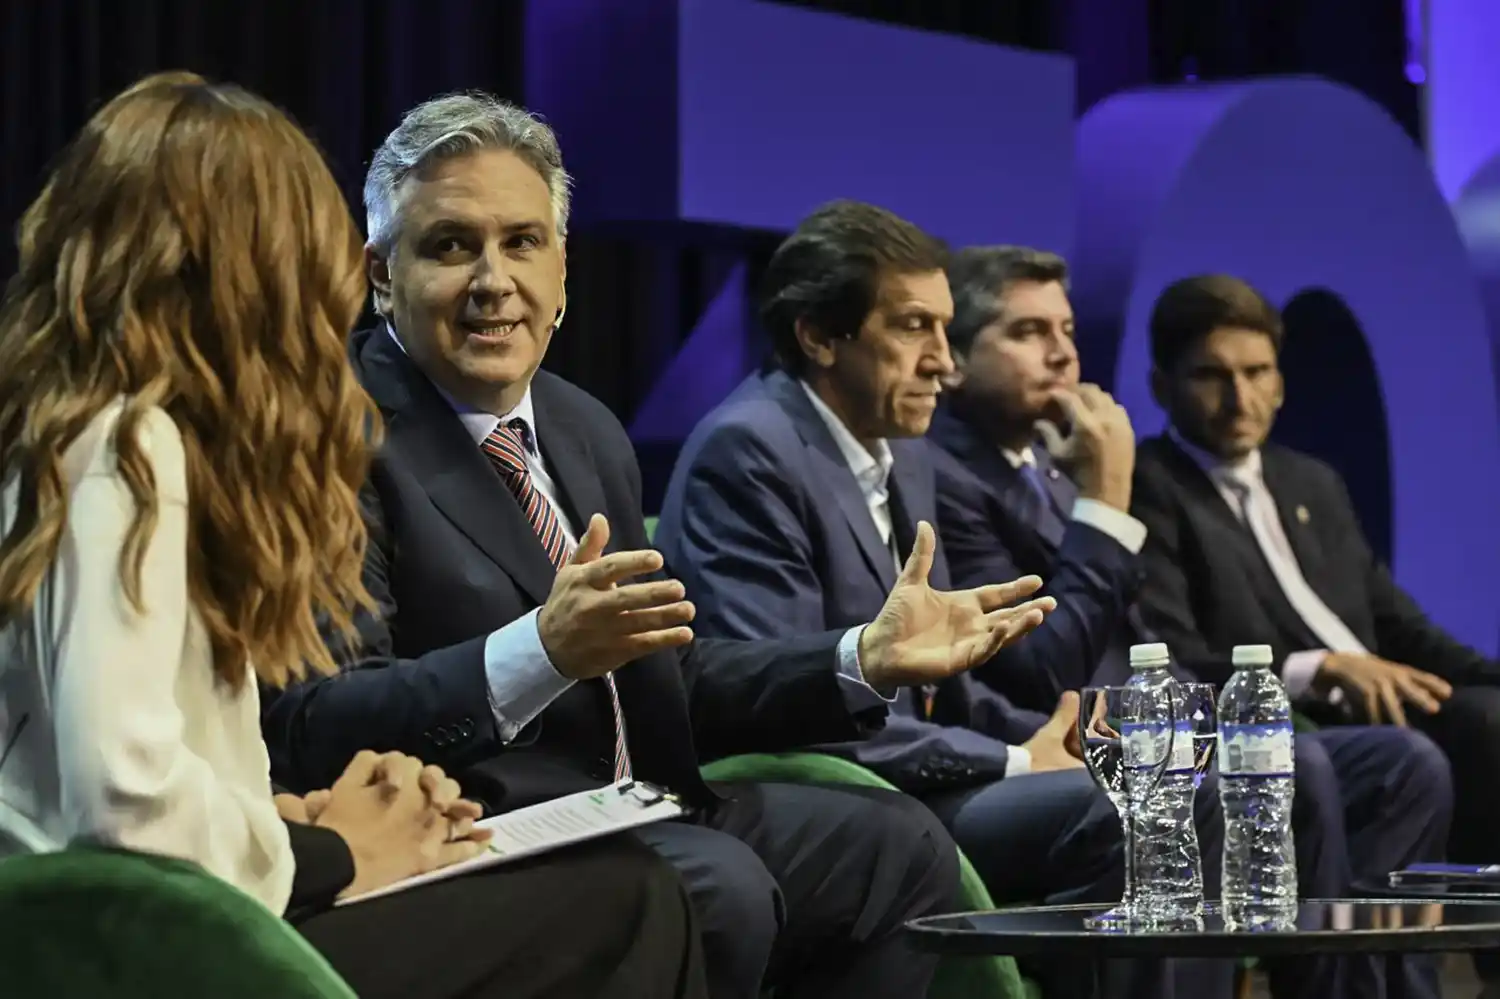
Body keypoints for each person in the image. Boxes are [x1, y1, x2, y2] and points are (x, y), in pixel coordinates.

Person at [258, 92, 1054, 999]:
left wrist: (859, 658)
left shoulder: (581, 423)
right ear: (381, 273)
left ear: (563, 268)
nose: (493, 279)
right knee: (716, 887)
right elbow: (319, 719)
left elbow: (665, 668)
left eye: (522, 242)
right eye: (450, 245)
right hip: (484, 831)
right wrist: (539, 651)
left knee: (899, 844)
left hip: (651, 801)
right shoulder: (333, 436)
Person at [0, 72, 708, 999]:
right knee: (626, 902)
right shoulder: (128, 447)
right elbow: (119, 804)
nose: (328, 279)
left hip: (156, 907)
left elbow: (137, 767)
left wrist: (294, 817)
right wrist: (335, 851)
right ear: (237, 262)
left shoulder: (88, 430)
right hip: (137, 948)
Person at [655, 199, 1228, 999]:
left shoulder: (905, 450)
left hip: (936, 777)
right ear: (819, 336)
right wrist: (1016, 760)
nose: (944, 363)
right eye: (912, 328)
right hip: (853, 800)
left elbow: (943, 683)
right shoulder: (749, 452)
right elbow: (778, 700)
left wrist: (1037, 742)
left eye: (944, 328)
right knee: (1137, 811)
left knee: (1169, 783)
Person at [933, 248, 1453, 999]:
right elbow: (1045, 665)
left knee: (1399, 762)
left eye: (1068, 328)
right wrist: (1108, 501)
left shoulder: (1048, 468)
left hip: (1147, 719)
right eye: (1027, 331)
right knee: (1285, 766)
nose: (1063, 352)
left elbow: (1138, 635)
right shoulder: (954, 478)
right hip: (1053, 737)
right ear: (956, 355)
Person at [1129, 272, 1490, 990]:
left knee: (1491, 717)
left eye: (1257, 372)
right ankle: (1359, 979)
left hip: (1375, 708)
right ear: (1162, 387)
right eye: (1212, 375)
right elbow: (1171, 648)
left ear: (1282, 383)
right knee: (1412, 759)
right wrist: (1317, 667)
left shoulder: (1310, 482)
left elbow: (1402, 627)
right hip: (1284, 717)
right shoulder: (1147, 483)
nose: (1240, 397)